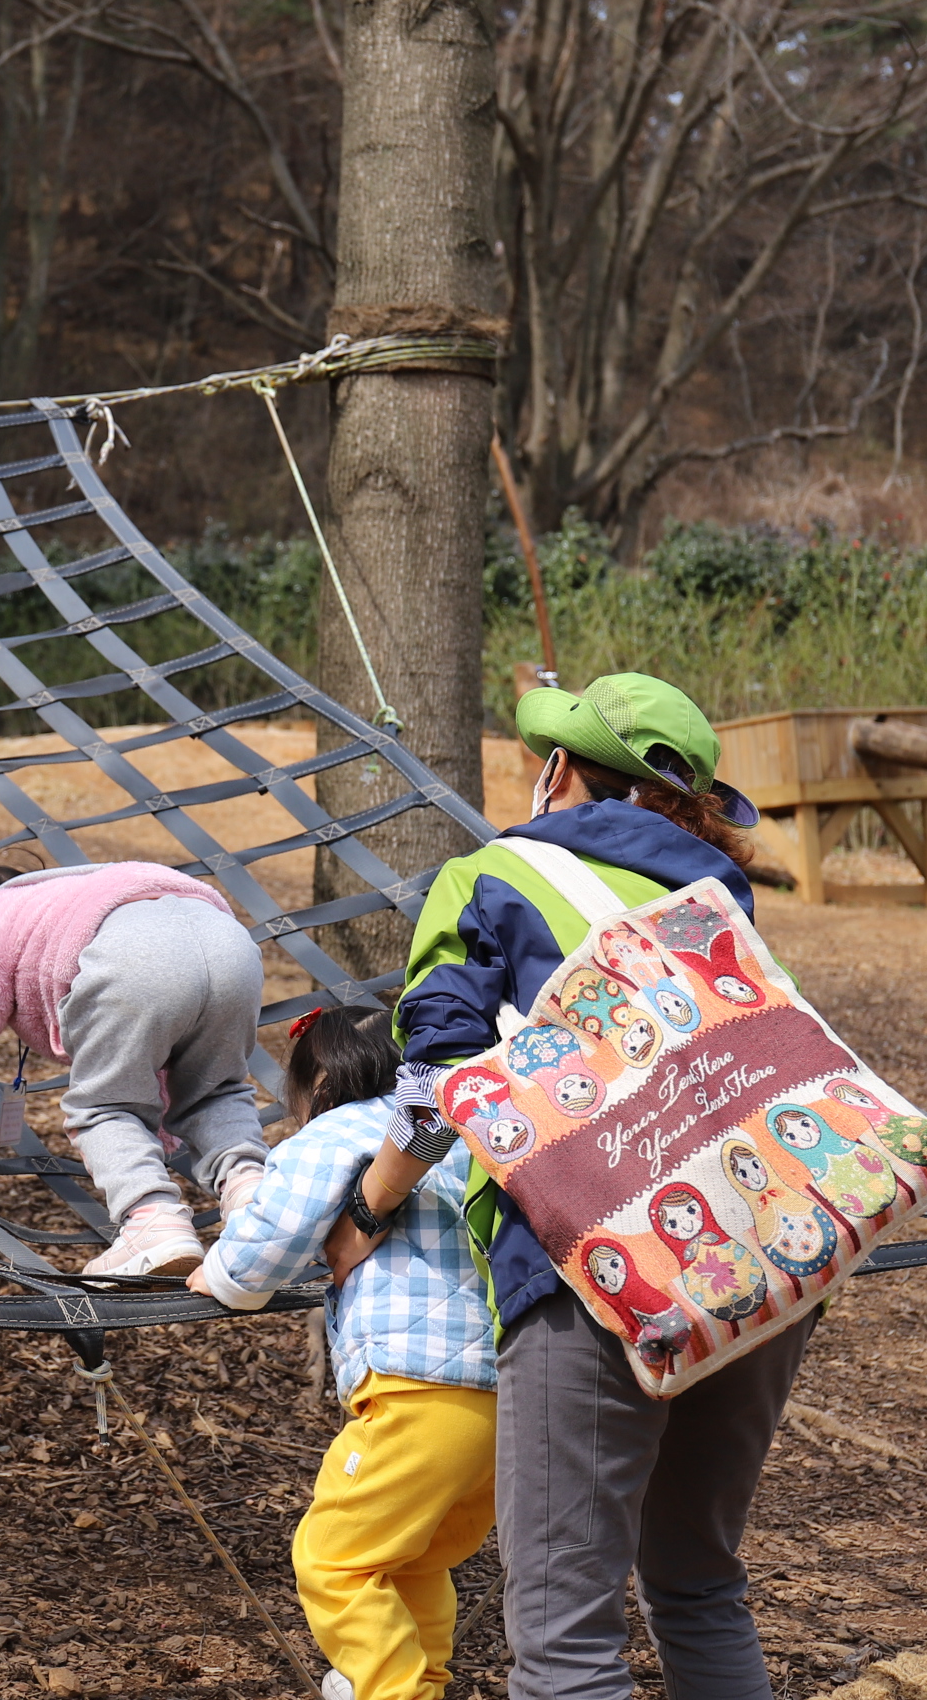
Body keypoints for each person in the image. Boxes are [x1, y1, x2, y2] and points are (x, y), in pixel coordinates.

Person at [337, 672, 793, 1700]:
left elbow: (438, 1087)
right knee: (697, 1581)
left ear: (556, 769)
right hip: (770, 1249)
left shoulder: (490, 877)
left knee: (565, 1631)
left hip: (598, 1259)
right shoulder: (720, 895)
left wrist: (367, 1209)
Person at [190, 1005, 495, 1700]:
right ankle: (425, 1678)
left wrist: (224, 1274)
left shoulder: (339, 1132)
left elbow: (275, 1228)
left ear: (319, 1083)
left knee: (334, 1560)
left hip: (420, 1393)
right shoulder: (466, 1138)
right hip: (503, 1403)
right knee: (412, 1558)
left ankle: (393, 1690)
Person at [0, 859, 269, 1277]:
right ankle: (255, 1196)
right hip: (230, 945)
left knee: (106, 1107)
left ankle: (153, 1221)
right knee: (216, 1090)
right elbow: (157, 1046)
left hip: (136, 960)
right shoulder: (78, 890)